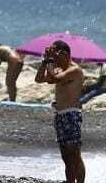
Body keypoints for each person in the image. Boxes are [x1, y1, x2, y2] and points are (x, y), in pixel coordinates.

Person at [35, 40, 86, 183]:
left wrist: (50, 61)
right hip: (60, 115)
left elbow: (56, 78)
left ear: (64, 54)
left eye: (56, 56)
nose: (54, 60)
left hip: (71, 114)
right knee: (66, 156)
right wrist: (45, 61)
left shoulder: (74, 70)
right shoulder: (57, 69)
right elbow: (39, 79)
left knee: (75, 153)